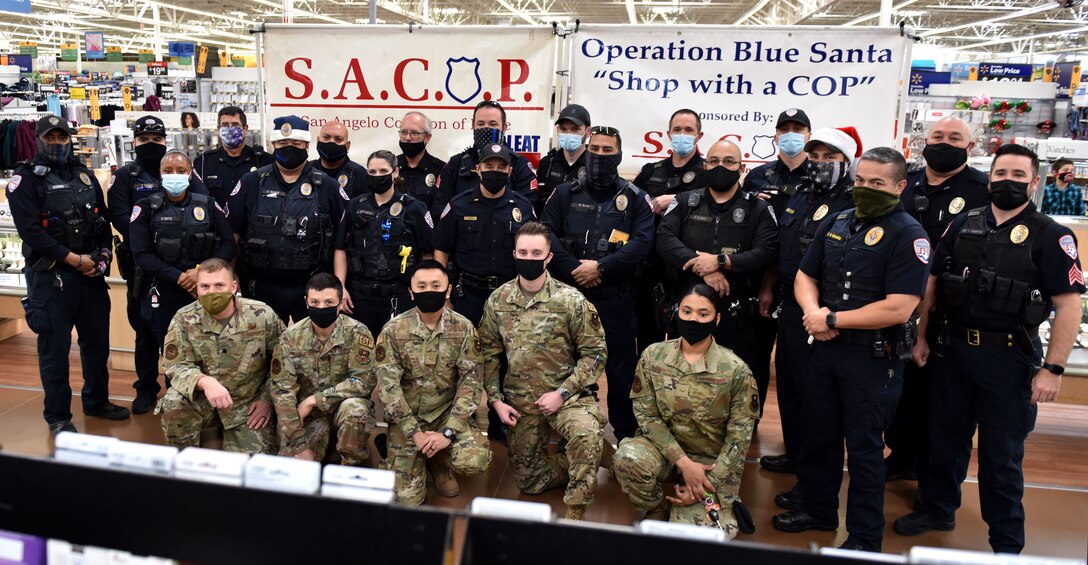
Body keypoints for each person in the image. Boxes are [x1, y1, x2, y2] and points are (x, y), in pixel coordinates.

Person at [894, 144, 1084, 554]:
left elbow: (1069, 305)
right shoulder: (965, 223)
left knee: (1001, 458)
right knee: (942, 441)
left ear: (1034, 183)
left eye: (1019, 176)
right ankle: (938, 507)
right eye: (1001, 173)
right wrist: (923, 336)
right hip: (953, 352)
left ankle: (1006, 542)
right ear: (990, 177)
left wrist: (1053, 368)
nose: (1008, 182)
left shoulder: (1053, 235)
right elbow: (932, 284)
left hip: (1010, 360)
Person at [772, 148, 930, 553]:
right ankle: (820, 509)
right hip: (825, 351)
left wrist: (833, 320)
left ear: (899, 186)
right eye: (861, 180)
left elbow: (900, 306)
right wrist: (813, 312)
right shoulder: (840, 220)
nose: (865, 189)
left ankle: (863, 538)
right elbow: (806, 274)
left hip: (872, 359)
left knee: (864, 451)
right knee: (819, 435)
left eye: (877, 183)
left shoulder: (909, 234)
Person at [478, 222, 608, 520]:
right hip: (521, 399)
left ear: (549, 257)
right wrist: (496, 400)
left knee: (585, 434)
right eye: (523, 252)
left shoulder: (571, 300)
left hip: (567, 395)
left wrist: (562, 393)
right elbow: (488, 354)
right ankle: (592, 456)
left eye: (537, 252)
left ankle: (576, 509)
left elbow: (596, 353)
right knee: (529, 480)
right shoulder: (498, 300)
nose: (529, 258)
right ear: (514, 254)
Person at [885, 116, 989, 483]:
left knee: (941, 405)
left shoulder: (982, 188)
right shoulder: (906, 183)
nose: (945, 142)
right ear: (923, 142)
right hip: (896, 305)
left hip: (947, 312)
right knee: (902, 392)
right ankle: (900, 458)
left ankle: (933, 482)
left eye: (955, 137)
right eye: (938, 136)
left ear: (970, 147)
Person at [9, 115, 129, 433]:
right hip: (51, 279)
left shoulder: (84, 174)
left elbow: (102, 223)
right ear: (38, 139)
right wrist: (74, 259)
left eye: (63, 138)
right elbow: (32, 232)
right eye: (52, 138)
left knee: (96, 346)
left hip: (90, 276)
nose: (59, 143)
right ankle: (58, 416)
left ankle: (96, 401)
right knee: (55, 351)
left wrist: (104, 256)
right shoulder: (25, 180)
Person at [613, 284, 759, 538]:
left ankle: (696, 503)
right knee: (626, 458)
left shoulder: (736, 371)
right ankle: (658, 507)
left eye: (704, 314)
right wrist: (683, 463)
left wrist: (706, 484)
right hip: (665, 453)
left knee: (704, 539)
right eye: (687, 311)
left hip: (710, 465)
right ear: (676, 312)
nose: (694, 319)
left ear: (717, 319)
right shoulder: (653, 355)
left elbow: (739, 438)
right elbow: (646, 416)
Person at [759, 126, 861, 479]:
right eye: (814, 156)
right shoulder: (801, 194)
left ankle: (813, 470)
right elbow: (783, 248)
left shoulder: (854, 201)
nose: (819, 164)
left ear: (846, 162)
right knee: (789, 386)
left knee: (817, 394)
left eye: (830, 158)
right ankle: (795, 451)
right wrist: (769, 285)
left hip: (824, 311)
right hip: (789, 303)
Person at [541, 126, 654, 442]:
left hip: (615, 301)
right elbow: (546, 232)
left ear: (618, 155)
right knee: (568, 367)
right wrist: (576, 268)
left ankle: (624, 436)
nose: (601, 156)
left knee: (620, 373)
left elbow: (644, 242)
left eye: (608, 151)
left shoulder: (635, 198)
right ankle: (570, 432)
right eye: (596, 149)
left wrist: (601, 267)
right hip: (570, 299)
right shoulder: (564, 193)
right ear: (586, 150)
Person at [656, 139, 778, 419]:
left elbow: (767, 251)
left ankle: (740, 429)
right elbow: (664, 239)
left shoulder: (758, 209)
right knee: (684, 374)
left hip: (740, 313)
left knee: (741, 376)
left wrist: (723, 262)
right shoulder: (685, 201)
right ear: (704, 165)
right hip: (689, 308)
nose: (720, 167)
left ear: (742, 167)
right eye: (713, 161)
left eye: (728, 162)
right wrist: (706, 268)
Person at [432, 142, 535, 444]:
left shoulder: (522, 208)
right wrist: (443, 290)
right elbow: (441, 248)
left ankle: (497, 418)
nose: (494, 171)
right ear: (478, 169)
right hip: (468, 294)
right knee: (457, 358)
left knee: (504, 359)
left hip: (508, 297)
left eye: (500, 167)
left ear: (509, 170)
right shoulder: (460, 205)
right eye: (488, 166)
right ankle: (453, 419)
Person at [108, 116, 209, 413]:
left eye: (156, 139)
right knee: (145, 330)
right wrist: (154, 237)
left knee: (182, 333)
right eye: (144, 139)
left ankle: (175, 389)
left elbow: (203, 206)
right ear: (135, 142)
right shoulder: (126, 176)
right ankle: (146, 389)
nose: (150, 144)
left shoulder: (183, 169)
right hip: (144, 267)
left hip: (185, 266)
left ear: (166, 140)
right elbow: (119, 216)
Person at [376, 260, 492, 504]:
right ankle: (404, 456)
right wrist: (414, 432)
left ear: (448, 290)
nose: (429, 290)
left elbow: (470, 385)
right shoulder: (393, 331)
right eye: (421, 286)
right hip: (408, 417)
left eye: (436, 285)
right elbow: (389, 389)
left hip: (446, 415)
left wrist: (448, 432)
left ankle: (439, 462)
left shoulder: (464, 329)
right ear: (411, 292)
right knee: (409, 499)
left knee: (476, 460)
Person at [227, 115, 346, 324]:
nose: (288, 147)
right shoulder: (252, 182)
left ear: (307, 145)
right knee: (261, 350)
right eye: (282, 143)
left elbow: (342, 240)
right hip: (260, 285)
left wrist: (340, 285)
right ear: (273, 144)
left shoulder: (327, 186)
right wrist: (229, 274)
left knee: (312, 349)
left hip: (312, 287)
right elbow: (234, 233)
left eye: (295, 143)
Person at [157, 259, 283, 453]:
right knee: (174, 403)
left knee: (251, 470)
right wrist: (204, 382)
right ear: (197, 288)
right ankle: (182, 461)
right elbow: (176, 365)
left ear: (233, 286)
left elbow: (282, 364)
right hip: (204, 400)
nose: (212, 292)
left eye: (219, 285)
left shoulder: (262, 315)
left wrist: (266, 399)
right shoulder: (184, 318)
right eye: (205, 286)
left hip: (247, 405)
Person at [129, 150, 235, 356]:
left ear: (190, 174)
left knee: (210, 352)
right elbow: (142, 254)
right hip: (164, 290)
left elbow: (229, 244)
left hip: (204, 290)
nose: (174, 174)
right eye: (168, 170)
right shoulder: (145, 208)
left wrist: (201, 273)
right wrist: (179, 277)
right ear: (160, 173)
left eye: (181, 170)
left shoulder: (208, 204)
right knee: (173, 354)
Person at [269, 273, 376, 465]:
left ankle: (350, 464)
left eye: (329, 302)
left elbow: (363, 382)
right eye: (315, 302)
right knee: (292, 476)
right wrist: (300, 445)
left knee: (355, 409)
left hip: (343, 411)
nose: (321, 308)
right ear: (306, 302)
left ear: (341, 302)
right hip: (308, 418)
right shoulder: (290, 338)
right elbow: (282, 392)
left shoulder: (358, 332)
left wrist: (315, 400)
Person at [334, 150, 434, 338]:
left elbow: (428, 254)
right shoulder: (355, 206)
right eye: (372, 172)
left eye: (383, 171)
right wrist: (340, 287)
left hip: (400, 295)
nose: (377, 176)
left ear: (395, 172)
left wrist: (422, 288)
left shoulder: (414, 208)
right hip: (360, 297)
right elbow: (340, 248)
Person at [633, 109, 709, 354]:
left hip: (687, 268)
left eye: (689, 130)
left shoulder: (708, 172)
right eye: (677, 130)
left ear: (699, 135)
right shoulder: (650, 171)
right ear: (668, 133)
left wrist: (676, 199)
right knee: (647, 341)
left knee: (686, 341)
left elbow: (715, 201)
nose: (682, 135)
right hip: (649, 269)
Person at [431, 100, 538, 217]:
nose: (486, 129)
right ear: (473, 126)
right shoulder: (456, 164)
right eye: (481, 124)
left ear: (505, 127)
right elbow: (440, 209)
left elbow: (527, 211)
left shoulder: (519, 165)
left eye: (493, 124)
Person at [193, 106, 274, 206]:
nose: (230, 129)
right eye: (225, 125)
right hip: (216, 220)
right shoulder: (203, 162)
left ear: (245, 129)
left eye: (235, 125)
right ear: (218, 130)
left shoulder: (263, 161)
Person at [742, 108, 812, 219]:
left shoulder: (817, 177)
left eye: (797, 129)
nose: (790, 134)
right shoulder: (757, 175)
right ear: (776, 139)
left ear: (809, 137)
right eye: (784, 129)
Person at [535, 104, 590, 215]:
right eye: (564, 129)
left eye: (575, 129)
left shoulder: (594, 166)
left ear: (588, 132)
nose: (569, 134)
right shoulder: (547, 163)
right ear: (557, 131)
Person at [395, 111, 446, 212]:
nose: (407, 138)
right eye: (404, 132)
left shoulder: (441, 170)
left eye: (414, 133)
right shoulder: (390, 167)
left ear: (427, 138)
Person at [310, 119, 369, 200]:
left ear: (347, 146)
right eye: (326, 137)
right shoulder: (306, 170)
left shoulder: (360, 175)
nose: (331, 142)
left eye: (338, 139)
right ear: (317, 141)